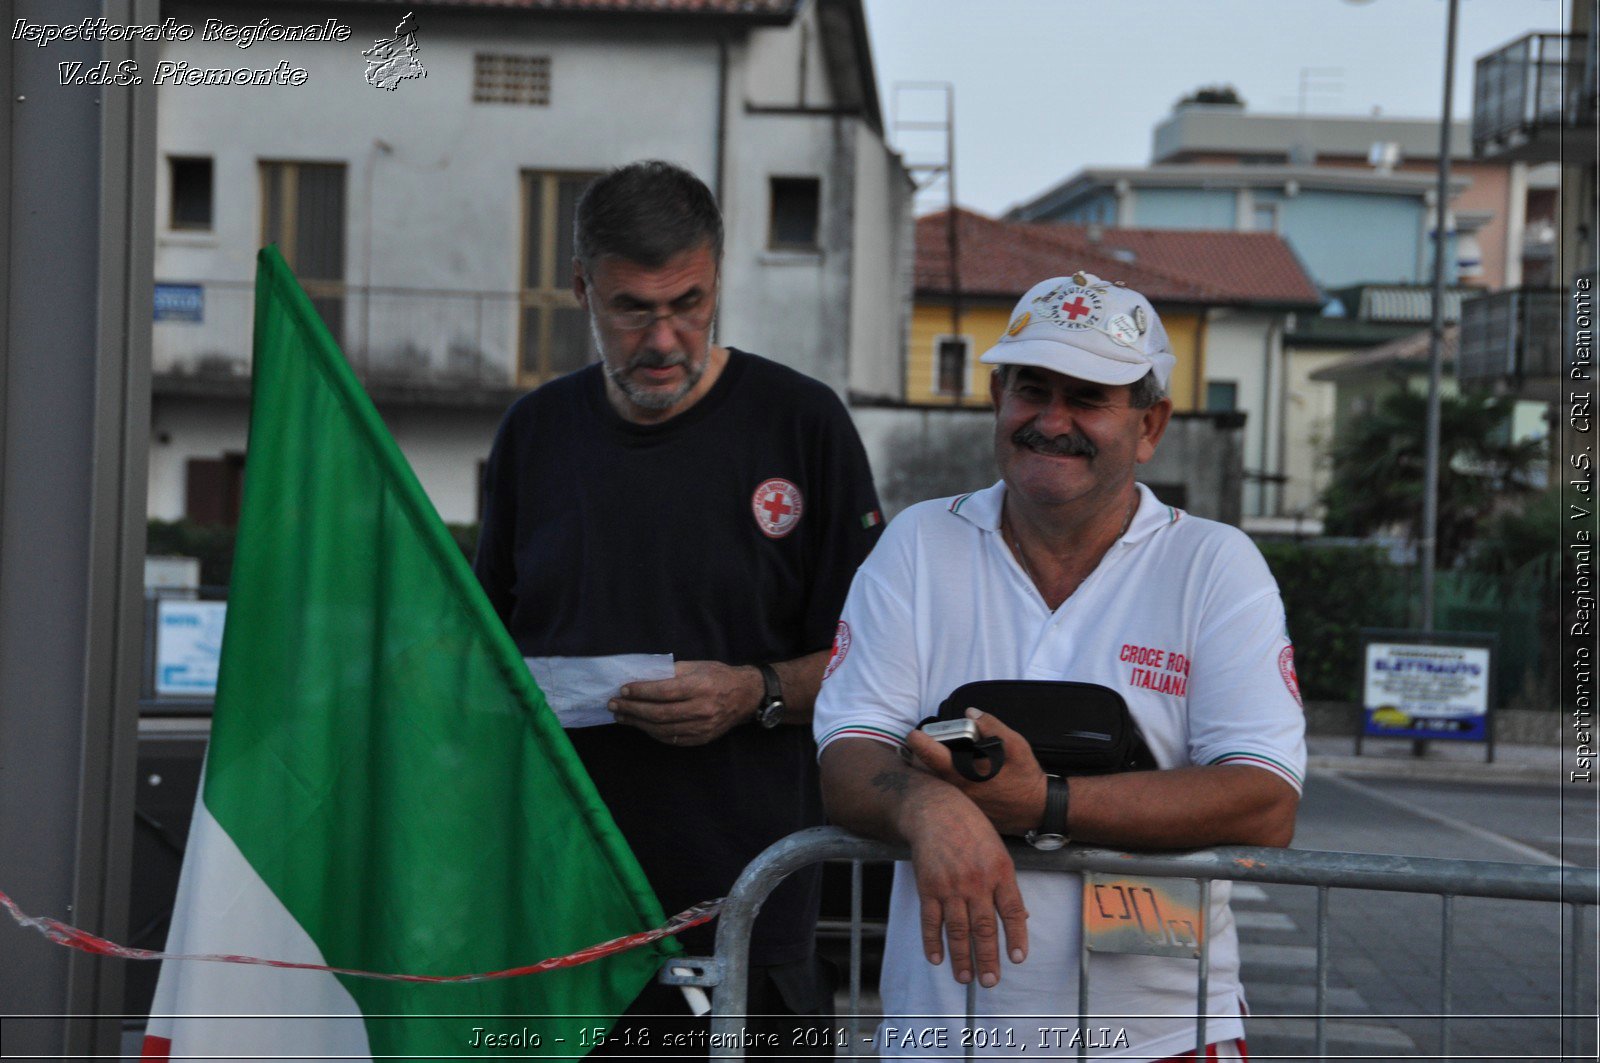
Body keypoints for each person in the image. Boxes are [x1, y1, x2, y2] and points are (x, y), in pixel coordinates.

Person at [812, 272, 1306, 1061]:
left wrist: (1041, 801)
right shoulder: (918, 543)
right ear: (996, 401)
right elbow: (847, 754)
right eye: (1030, 389)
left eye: (1087, 398)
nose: (1051, 420)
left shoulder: (1213, 564)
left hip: (1158, 1039)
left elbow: (1262, 799)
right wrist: (926, 808)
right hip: (944, 1038)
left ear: (1151, 426)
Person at [474, 160, 883, 1055]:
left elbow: (877, 660)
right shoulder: (534, 433)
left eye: (689, 304)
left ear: (719, 279)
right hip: (564, 918)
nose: (664, 338)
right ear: (581, 288)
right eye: (632, 309)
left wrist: (756, 689)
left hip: (747, 918)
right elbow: (485, 654)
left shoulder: (802, 424)